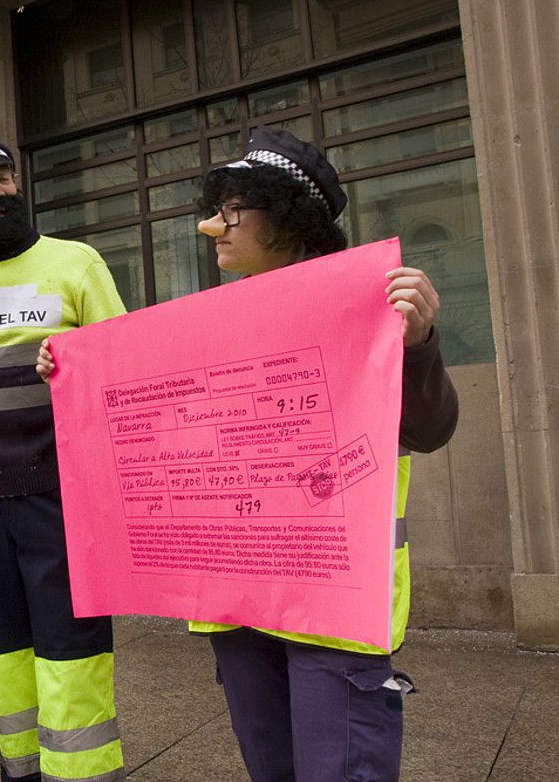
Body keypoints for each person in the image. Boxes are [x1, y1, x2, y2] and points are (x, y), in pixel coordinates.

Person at [40, 126, 460, 782]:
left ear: (291, 215)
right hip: (239, 603)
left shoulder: (370, 310)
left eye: (233, 211)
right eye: (213, 211)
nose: (212, 227)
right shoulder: (206, 326)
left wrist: (420, 341)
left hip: (334, 610)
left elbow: (432, 428)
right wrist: (74, 372)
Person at [0, 132, 128, 782]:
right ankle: (22, 771)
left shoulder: (77, 263)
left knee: (71, 650)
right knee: (2, 652)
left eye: (4, 177)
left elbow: (122, 367)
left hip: (61, 494)